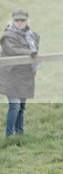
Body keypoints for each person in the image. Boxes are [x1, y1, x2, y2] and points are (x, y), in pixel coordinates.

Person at [0, 9, 40, 138]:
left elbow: (35, 50)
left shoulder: (33, 36)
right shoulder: (8, 36)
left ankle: (20, 134)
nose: (19, 23)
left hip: (26, 75)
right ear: (13, 20)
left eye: (22, 20)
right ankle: (9, 136)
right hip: (11, 76)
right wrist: (29, 52)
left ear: (27, 21)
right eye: (17, 20)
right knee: (15, 106)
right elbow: (13, 50)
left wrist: (32, 53)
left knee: (22, 107)